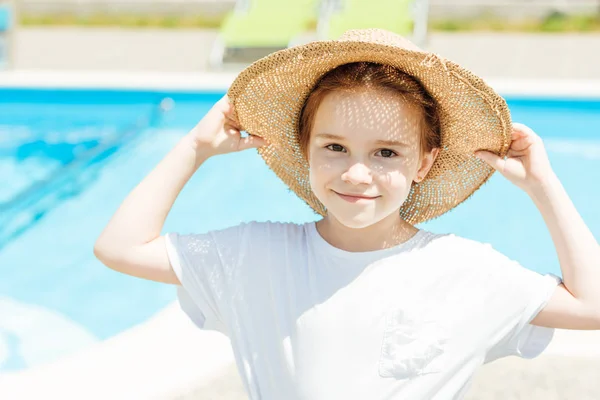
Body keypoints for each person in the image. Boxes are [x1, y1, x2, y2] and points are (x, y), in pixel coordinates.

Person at [94, 29, 600, 399]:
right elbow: (120, 248)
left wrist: (544, 186)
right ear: (305, 149)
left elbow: (592, 306)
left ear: (424, 163)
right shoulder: (257, 255)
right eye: (335, 146)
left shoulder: (464, 270)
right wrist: (194, 148)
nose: (357, 174)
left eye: (386, 153)